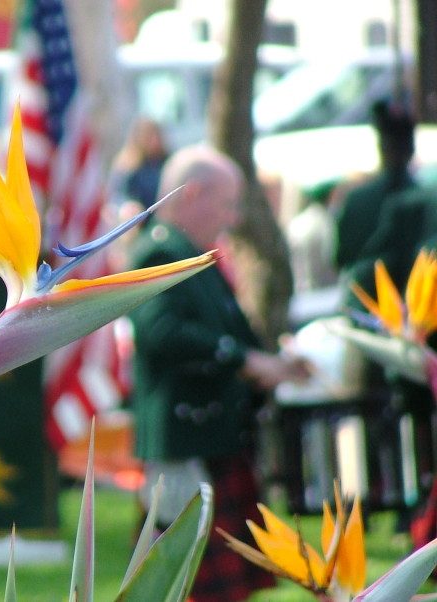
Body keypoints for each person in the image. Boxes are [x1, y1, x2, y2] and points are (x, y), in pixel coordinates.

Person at [128, 145, 310, 602]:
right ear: (193, 194)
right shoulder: (158, 251)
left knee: (218, 589)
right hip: (185, 444)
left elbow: (227, 330)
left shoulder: (193, 254)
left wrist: (276, 360)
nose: (231, 218)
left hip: (212, 438)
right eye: (227, 203)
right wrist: (245, 360)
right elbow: (162, 332)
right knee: (183, 586)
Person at [335, 100, 417, 292]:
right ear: (411, 149)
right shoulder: (429, 202)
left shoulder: (356, 200)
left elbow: (340, 259)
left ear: (380, 148)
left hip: (364, 306)